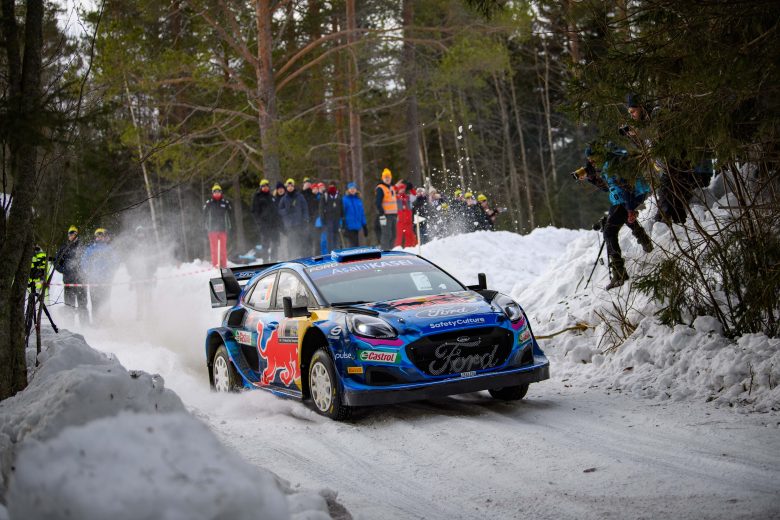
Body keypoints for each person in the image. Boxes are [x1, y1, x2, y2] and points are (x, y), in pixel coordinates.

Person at [577, 144, 654, 290]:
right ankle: (647, 244)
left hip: (628, 197)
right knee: (622, 219)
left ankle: (619, 274)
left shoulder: (613, 164)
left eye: (593, 159)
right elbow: (607, 188)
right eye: (589, 160)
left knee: (609, 232)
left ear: (599, 155)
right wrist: (591, 177)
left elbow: (626, 187)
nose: (591, 162)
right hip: (623, 198)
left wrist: (630, 208)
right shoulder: (608, 163)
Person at [80, 228, 118, 324]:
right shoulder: (90, 249)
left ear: (104, 236)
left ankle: (106, 320)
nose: (99, 237)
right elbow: (84, 262)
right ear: (95, 236)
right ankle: (96, 321)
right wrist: (88, 273)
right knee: (95, 301)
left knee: (105, 300)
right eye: (97, 235)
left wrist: (110, 274)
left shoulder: (109, 249)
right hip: (94, 280)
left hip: (106, 280)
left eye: (101, 235)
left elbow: (115, 262)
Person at [54, 225, 87, 324]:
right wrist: (65, 270)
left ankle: (85, 325)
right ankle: (69, 325)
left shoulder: (82, 247)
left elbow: (88, 261)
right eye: (70, 233)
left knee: (82, 305)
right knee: (69, 305)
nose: (71, 235)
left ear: (77, 234)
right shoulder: (64, 248)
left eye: (73, 233)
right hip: (69, 281)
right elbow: (56, 263)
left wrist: (85, 272)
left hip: (81, 281)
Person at [123, 226, 157, 321]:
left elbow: (154, 259)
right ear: (136, 234)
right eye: (139, 233)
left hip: (148, 274)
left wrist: (153, 271)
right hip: (137, 275)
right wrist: (131, 273)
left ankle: (150, 315)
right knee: (139, 296)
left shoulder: (149, 244)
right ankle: (139, 315)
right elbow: (129, 260)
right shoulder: (133, 245)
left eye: (142, 232)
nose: (140, 234)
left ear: (144, 234)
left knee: (148, 296)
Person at [251, 179, 283, 261]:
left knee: (275, 243)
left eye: (266, 186)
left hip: (274, 225)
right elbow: (254, 212)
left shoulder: (271, 197)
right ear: (260, 187)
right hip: (264, 225)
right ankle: (265, 262)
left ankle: (274, 261)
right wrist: (260, 223)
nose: (265, 187)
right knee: (265, 245)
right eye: (263, 186)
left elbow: (276, 211)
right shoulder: (258, 197)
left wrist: (279, 224)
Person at [277, 178, 310, 258]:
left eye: (291, 186)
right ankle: (291, 257)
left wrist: (305, 219)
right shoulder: (284, 198)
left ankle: (302, 257)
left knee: (301, 241)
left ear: (294, 186)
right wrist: (286, 211)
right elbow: (279, 210)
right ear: (286, 187)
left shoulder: (300, 196)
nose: (290, 187)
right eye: (288, 186)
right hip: (289, 225)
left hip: (299, 223)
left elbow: (305, 208)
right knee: (290, 242)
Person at [203, 183, 233, 268]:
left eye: (218, 192)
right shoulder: (209, 203)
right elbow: (204, 215)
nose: (217, 193)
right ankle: (215, 265)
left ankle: (224, 265)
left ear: (221, 192)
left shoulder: (225, 203)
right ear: (213, 193)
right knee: (214, 249)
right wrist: (205, 227)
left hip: (223, 228)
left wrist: (230, 226)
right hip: (212, 229)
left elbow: (230, 215)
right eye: (215, 192)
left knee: (223, 249)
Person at [375, 168, 398, 250]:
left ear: (391, 177)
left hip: (393, 215)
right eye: (385, 177)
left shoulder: (391, 187)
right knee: (386, 234)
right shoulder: (380, 188)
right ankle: (385, 251)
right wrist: (381, 213)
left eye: (388, 177)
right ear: (382, 178)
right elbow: (378, 202)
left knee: (394, 234)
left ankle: (390, 250)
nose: (387, 179)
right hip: (385, 215)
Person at [341, 182, 368, 247]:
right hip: (349, 226)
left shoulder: (358, 200)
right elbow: (341, 213)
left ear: (356, 190)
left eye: (354, 188)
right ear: (348, 190)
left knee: (356, 244)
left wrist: (364, 225)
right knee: (353, 245)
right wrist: (343, 224)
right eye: (351, 189)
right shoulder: (345, 200)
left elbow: (362, 213)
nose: (352, 190)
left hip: (357, 226)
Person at [394, 180, 417, 248]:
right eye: (400, 188)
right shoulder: (396, 197)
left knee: (409, 236)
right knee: (398, 237)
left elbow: (414, 196)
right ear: (398, 189)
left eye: (403, 188)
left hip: (408, 221)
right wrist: (395, 186)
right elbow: (390, 193)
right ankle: (397, 249)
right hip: (399, 221)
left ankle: (409, 249)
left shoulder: (408, 197)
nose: (402, 190)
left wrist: (411, 188)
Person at [301, 177, 321, 256]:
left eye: (309, 183)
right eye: (306, 183)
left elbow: (318, 207)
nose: (307, 185)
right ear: (303, 184)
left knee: (314, 240)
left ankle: (314, 256)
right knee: (305, 240)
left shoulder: (313, 195)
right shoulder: (301, 194)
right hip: (304, 221)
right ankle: (305, 256)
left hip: (313, 221)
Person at [321, 181, 342, 252]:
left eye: (333, 185)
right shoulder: (325, 195)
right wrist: (322, 219)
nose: (332, 187)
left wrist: (342, 218)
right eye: (331, 185)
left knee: (336, 237)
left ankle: (336, 251)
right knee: (329, 237)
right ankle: (330, 252)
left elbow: (341, 207)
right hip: (328, 219)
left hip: (337, 219)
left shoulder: (338, 195)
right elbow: (321, 208)